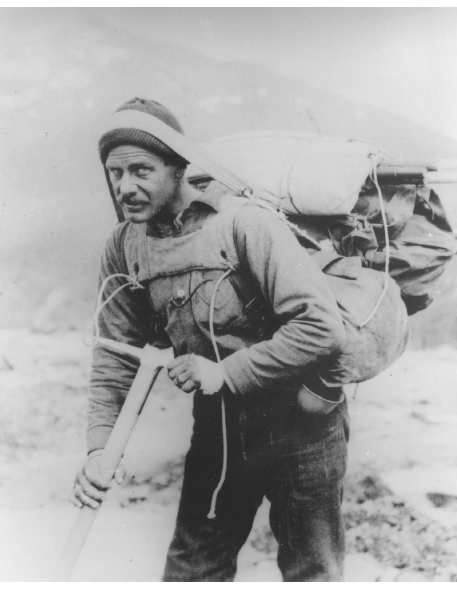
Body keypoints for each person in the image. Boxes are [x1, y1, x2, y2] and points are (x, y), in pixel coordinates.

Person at [70, 97, 350, 582]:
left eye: (142, 170)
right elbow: (116, 357)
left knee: (312, 572)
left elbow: (320, 326)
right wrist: (100, 450)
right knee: (192, 570)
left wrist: (224, 372)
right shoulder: (125, 246)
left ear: (179, 168)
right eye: (116, 174)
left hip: (303, 425)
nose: (126, 187)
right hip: (220, 432)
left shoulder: (243, 224)